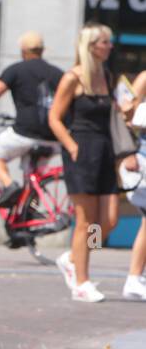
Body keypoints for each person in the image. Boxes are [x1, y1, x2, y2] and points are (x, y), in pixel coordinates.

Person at [48, 22, 119, 303]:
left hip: (105, 150)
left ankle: (72, 258)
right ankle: (81, 281)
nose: (110, 46)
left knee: (109, 220)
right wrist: (71, 145)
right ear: (91, 46)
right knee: (86, 221)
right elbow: (54, 117)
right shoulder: (73, 78)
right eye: (105, 42)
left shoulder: (107, 76)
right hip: (81, 149)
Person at [0, 31, 64, 209]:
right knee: (33, 179)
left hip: (26, 132)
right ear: (42, 51)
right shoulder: (57, 73)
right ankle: (28, 217)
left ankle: (9, 185)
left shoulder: (16, 70)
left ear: (23, 51)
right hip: (52, 137)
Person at [121, 69, 146, 301]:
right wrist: (128, 152)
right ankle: (80, 256)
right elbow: (124, 114)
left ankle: (136, 277)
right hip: (139, 159)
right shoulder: (145, 78)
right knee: (101, 218)